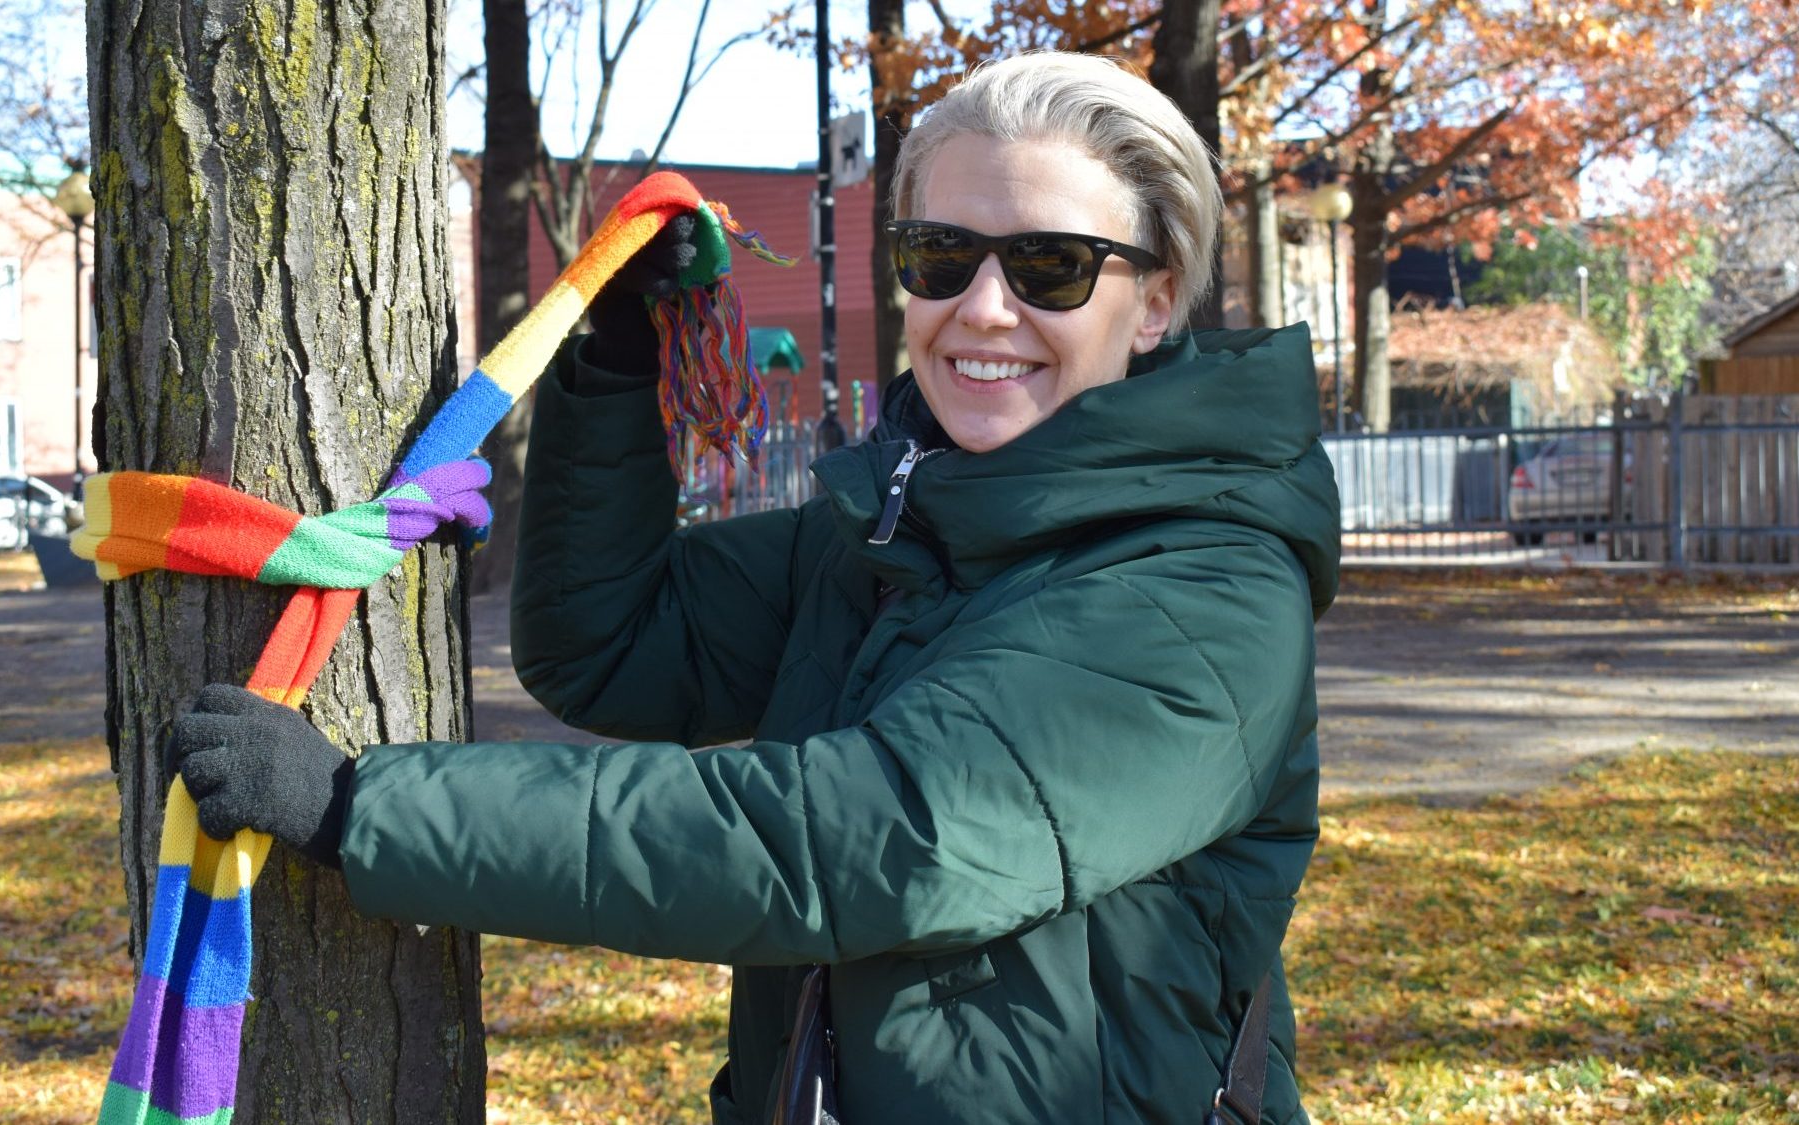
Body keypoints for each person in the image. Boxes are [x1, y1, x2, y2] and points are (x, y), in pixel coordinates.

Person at [172, 51, 1338, 1125]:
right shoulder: (889, 539)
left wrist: (363, 809)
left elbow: (866, 841)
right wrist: (616, 360)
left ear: (1156, 301)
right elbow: (609, 644)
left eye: (1050, 265)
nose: (984, 308)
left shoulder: (1205, 587)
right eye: (940, 255)